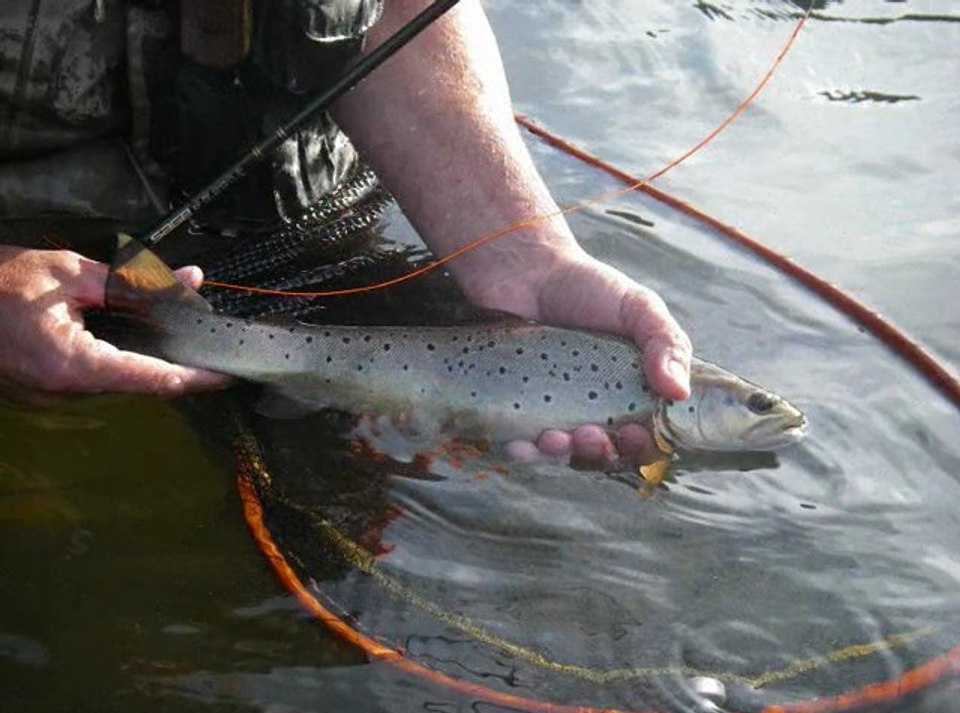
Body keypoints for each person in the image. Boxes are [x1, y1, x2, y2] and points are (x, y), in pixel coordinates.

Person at [0, 0, 690, 465]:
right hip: (23, 247)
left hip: (307, 225)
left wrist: (527, 258)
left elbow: (396, 9)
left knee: (355, 552)